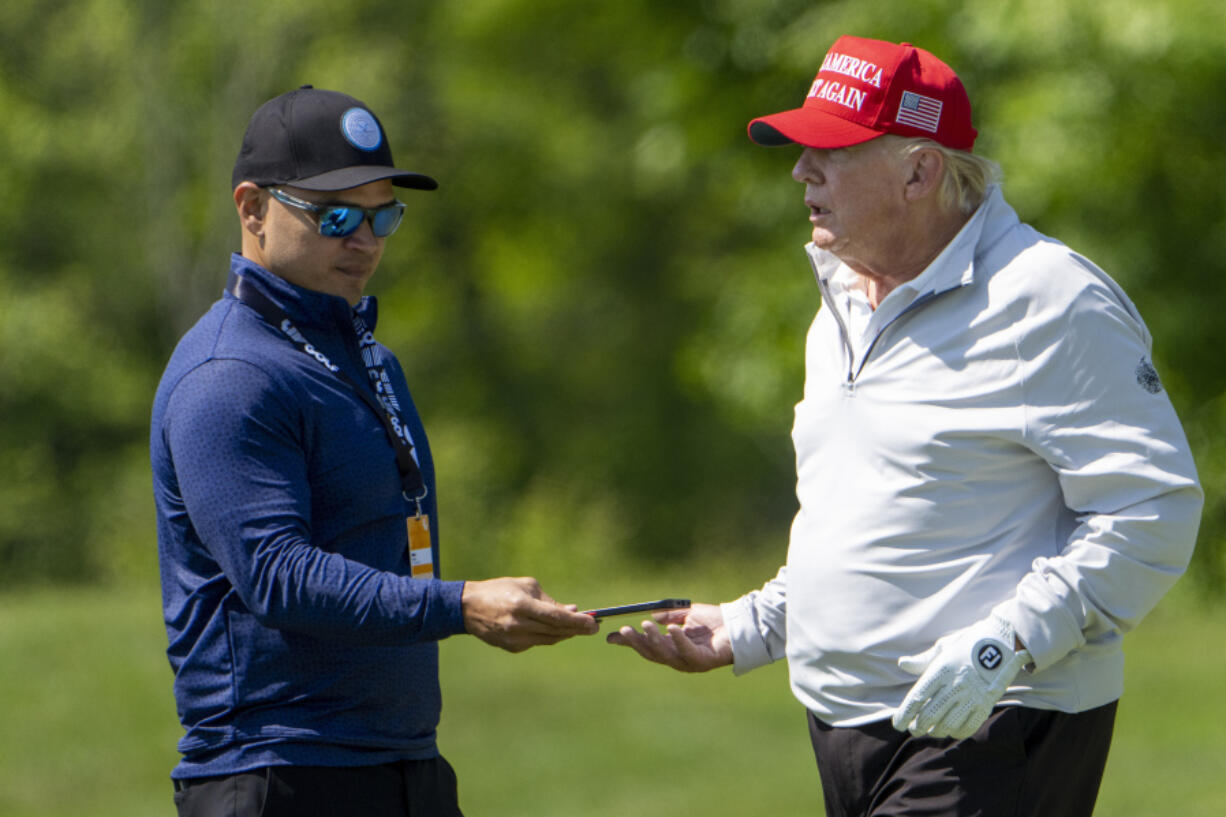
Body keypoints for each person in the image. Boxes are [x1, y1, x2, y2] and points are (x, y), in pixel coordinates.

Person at [609, 35, 1202, 817]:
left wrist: (1005, 647)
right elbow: (877, 515)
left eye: (830, 150)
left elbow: (1152, 512)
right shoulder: (844, 302)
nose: (800, 171)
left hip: (997, 722)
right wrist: (750, 626)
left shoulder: (1049, 298)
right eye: (801, 149)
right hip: (848, 728)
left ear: (920, 170)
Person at [151, 85, 599, 817]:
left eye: (382, 215)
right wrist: (460, 605)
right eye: (334, 216)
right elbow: (276, 573)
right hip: (278, 772)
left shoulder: (369, 359)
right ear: (252, 208)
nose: (364, 240)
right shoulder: (228, 374)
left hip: (403, 764)